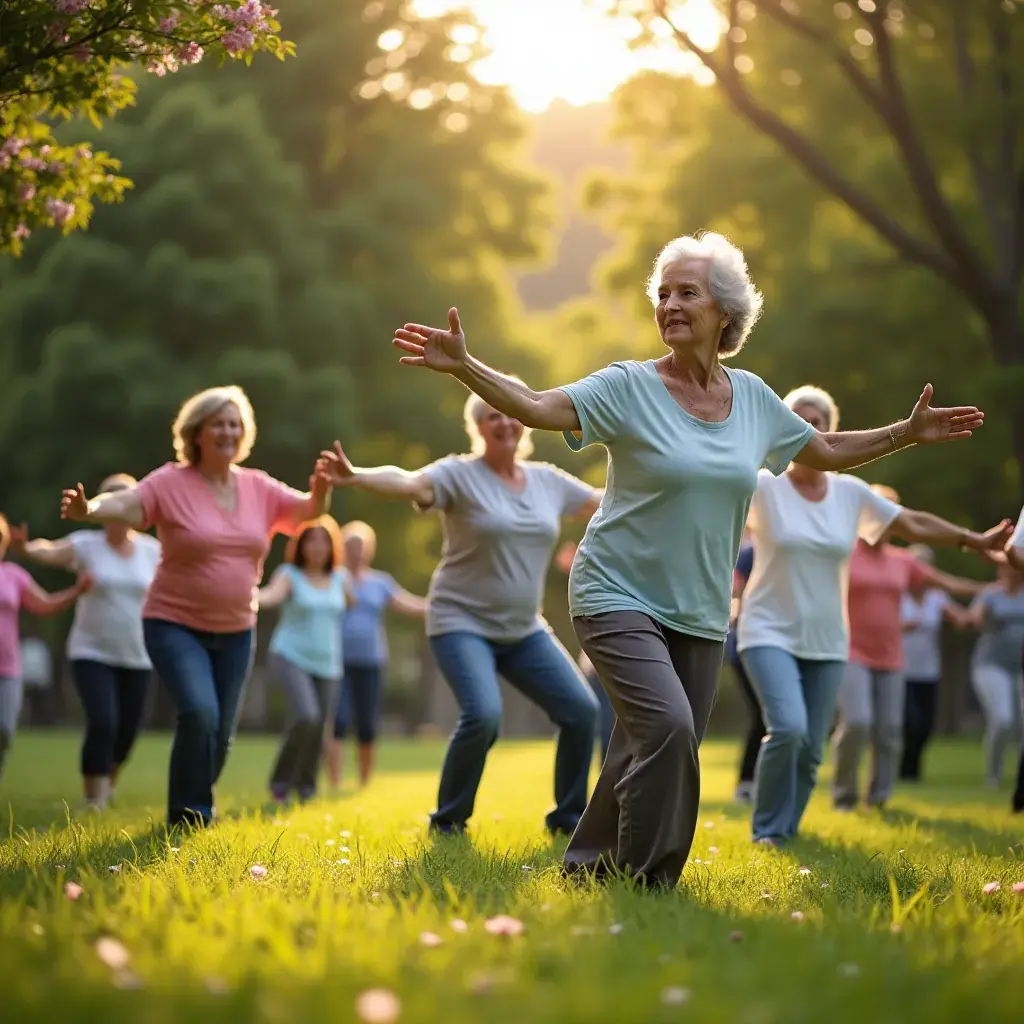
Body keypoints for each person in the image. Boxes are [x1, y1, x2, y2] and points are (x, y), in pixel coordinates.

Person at [368, 230, 990, 888]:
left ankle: (587, 868)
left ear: (724, 311)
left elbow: (825, 451)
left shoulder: (751, 399)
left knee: (650, 740)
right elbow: (540, 406)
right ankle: (650, 880)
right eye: (662, 293)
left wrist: (907, 432)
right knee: (666, 725)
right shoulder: (627, 386)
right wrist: (467, 366)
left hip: (698, 606)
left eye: (686, 292)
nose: (669, 304)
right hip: (615, 590)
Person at [316, 391, 603, 836]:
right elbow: (409, 482)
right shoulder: (459, 475)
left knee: (582, 711)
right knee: (484, 714)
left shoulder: (547, 480)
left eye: (511, 414)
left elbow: (604, 501)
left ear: (526, 422)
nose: (504, 423)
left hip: (523, 629)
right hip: (460, 622)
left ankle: (568, 821)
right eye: (492, 416)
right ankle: (448, 821)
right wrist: (357, 476)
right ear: (479, 428)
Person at [737, 388, 1005, 845]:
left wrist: (973, 540)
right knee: (789, 729)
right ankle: (767, 831)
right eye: (798, 421)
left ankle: (788, 829)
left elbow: (912, 524)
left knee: (811, 749)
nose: (809, 429)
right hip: (766, 630)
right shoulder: (763, 486)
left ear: (832, 430)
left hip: (828, 638)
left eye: (818, 421)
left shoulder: (850, 492)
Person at [60, 385, 332, 827]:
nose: (228, 430)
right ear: (197, 433)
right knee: (200, 712)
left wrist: (321, 491)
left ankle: (194, 803)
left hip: (237, 629)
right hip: (174, 623)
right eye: (218, 423)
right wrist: (90, 508)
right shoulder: (171, 481)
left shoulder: (258, 486)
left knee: (220, 733)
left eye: (235, 423)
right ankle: (190, 816)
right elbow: (128, 505)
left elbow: (305, 512)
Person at [832, 485, 988, 811]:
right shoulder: (844, 552)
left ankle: (880, 797)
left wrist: (990, 589)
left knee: (890, 729)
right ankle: (844, 796)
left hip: (891, 654)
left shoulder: (903, 561)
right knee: (858, 722)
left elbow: (945, 583)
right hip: (850, 651)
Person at [15, 474, 161, 808]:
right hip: (91, 651)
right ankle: (93, 798)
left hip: (138, 654)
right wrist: (26, 548)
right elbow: (51, 550)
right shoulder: (86, 545)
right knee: (104, 721)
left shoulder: (152, 551)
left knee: (126, 733)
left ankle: (107, 783)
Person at [257, 515, 352, 804]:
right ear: (301, 545)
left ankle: (306, 787)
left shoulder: (341, 579)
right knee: (306, 716)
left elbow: (355, 602)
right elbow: (271, 596)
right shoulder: (289, 574)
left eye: (324, 541)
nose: (317, 547)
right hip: (290, 655)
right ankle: (280, 782)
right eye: (311, 541)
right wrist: (248, 597)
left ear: (332, 546)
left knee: (318, 726)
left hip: (329, 663)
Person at [325, 520, 426, 790]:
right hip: (335, 660)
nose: (356, 552)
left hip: (371, 661)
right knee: (338, 720)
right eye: (350, 546)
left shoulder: (380, 582)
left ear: (369, 550)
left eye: (360, 546)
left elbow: (408, 604)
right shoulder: (333, 578)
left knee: (367, 723)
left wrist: (439, 605)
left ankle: (364, 782)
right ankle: (334, 782)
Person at [0, 513, 92, 780]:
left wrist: (76, 591)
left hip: (8, 669)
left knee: (4, 730)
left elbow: (45, 604)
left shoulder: (14, 576)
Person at [899, 545, 972, 782]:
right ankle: (901, 767)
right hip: (899, 669)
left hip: (929, 671)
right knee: (911, 721)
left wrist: (976, 616)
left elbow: (959, 617)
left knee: (925, 726)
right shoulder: (896, 594)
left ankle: (912, 771)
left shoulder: (936, 597)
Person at [963, 561, 1024, 789]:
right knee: (1003, 719)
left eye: (1012, 567)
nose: (1007, 572)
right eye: (1003, 567)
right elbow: (974, 616)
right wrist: (978, 618)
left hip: (1020, 667)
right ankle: (994, 775)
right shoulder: (990, 595)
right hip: (991, 665)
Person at [728, 536, 762, 803]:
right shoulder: (749, 552)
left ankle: (755, 780)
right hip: (745, 643)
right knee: (763, 713)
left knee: (767, 716)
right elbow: (735, 590)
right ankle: (747, 782)